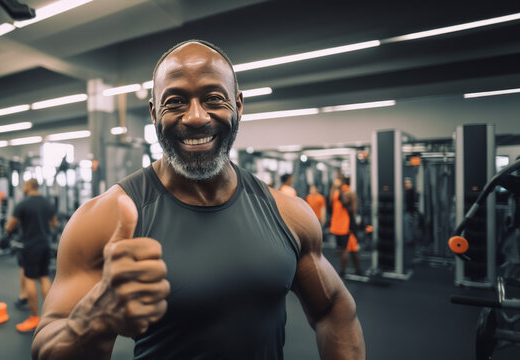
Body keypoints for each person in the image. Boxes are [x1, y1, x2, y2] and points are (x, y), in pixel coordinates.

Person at [32, 40, 364, 359]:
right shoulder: (104, 218)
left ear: (239, 105)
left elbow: (334, 310)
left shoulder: (288, 214)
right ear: (153, 112)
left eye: (213, 98)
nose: (195, 117)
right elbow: (45, 347)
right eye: (175, 101)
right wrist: (91, 321)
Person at [5, 178, 58, 333]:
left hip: (31, 246)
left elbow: (10, 226)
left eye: (25, 185)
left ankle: (34, 317)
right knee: (44, 277)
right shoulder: (47, 203)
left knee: (29, 279)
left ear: (29, 186)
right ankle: (50, 316)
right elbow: (54, 223)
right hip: (46, 245)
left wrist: (9, 227)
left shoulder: (23, 204)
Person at [329, 176, 361, 277]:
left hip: (347, 227)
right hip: (338, 226)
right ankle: (358, 269)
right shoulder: (336, 193)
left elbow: (352, 207)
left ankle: (343, 272)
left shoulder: (349, 193)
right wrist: (334, 187)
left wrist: (343, 195)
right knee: (350, 250)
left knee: (347, 250)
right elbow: (330, 201)